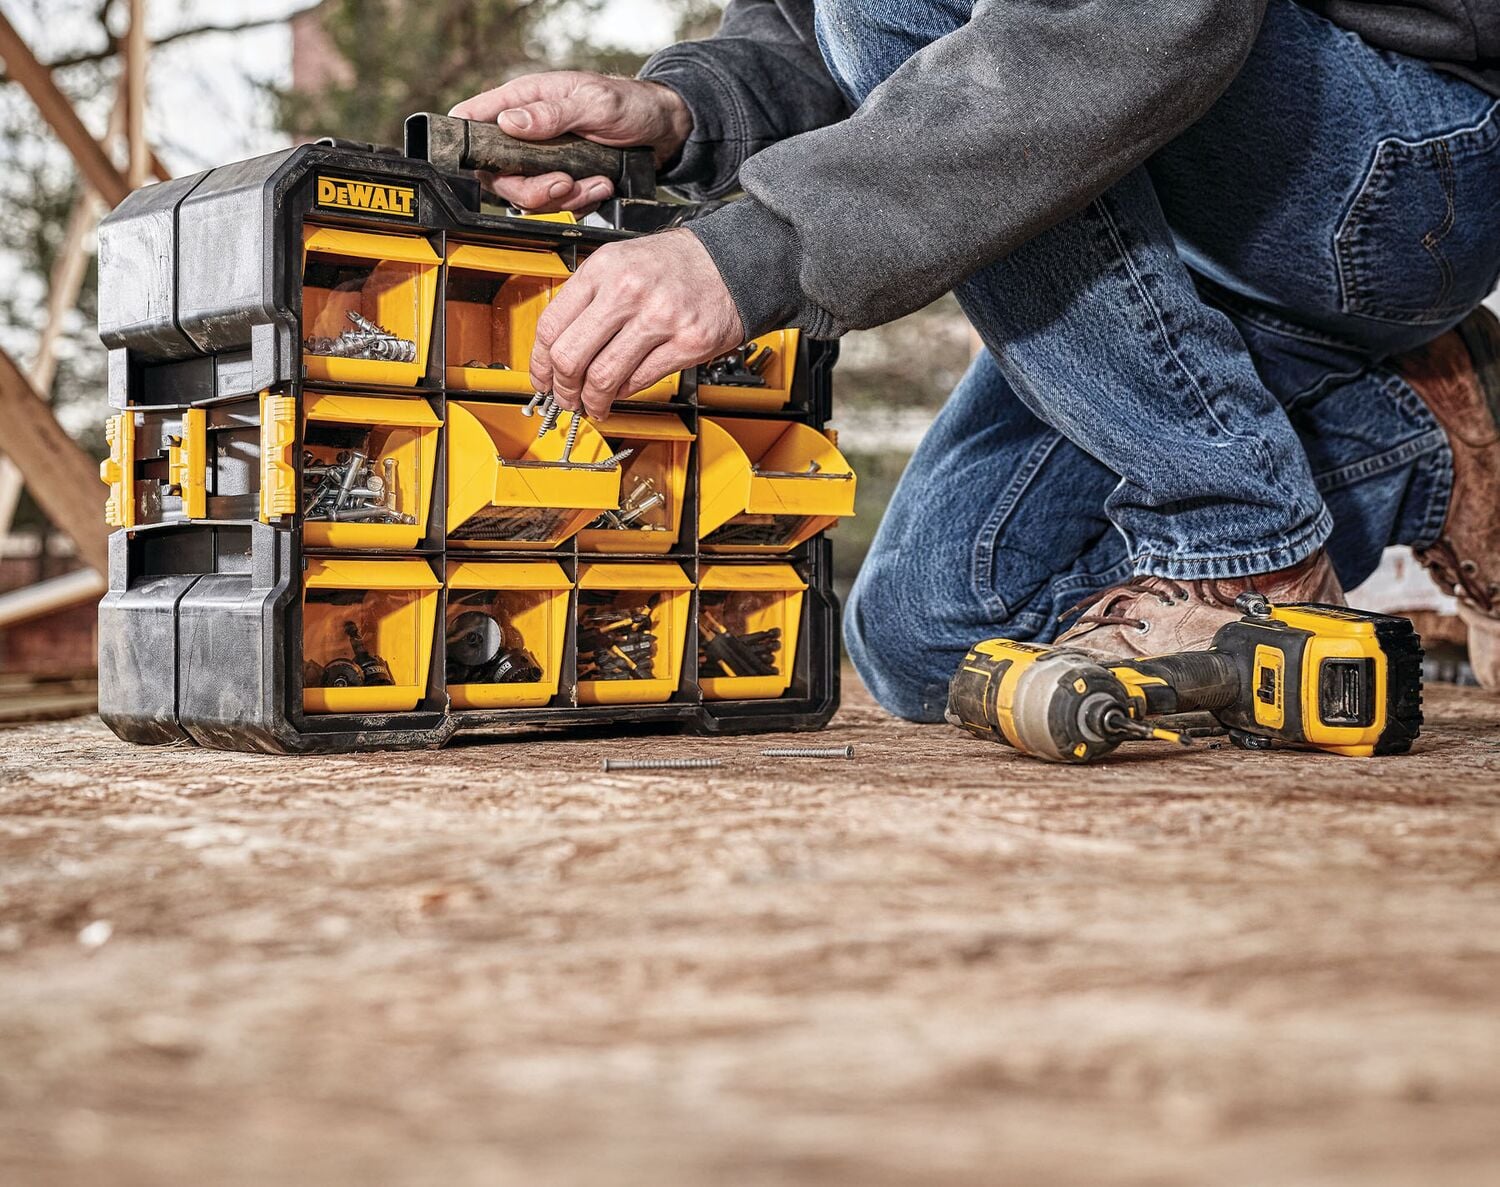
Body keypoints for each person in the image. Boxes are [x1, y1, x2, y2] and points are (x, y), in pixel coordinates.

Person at [452, 0, 1500, 718]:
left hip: (1411, 154)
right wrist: (688, 113)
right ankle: (1426, 437)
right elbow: (818, 31)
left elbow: (1132, 23)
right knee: (939, 630)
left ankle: (1239, 546)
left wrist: (761, 248)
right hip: (1186, 195)